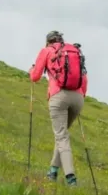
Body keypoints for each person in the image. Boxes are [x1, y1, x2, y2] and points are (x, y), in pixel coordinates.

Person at [29, 30, 88, 186]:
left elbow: (35, 77)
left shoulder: (47, 51)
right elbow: (85, 78)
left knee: (61, 136)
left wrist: (31, 71)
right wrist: (81, 96)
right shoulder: (74, 51)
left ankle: (71, 178)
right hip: (78, 97)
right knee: (62, 135)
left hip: (58, 96)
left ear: (48, 41)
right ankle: (53, 171)